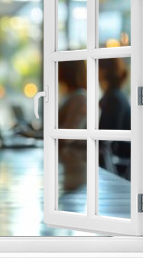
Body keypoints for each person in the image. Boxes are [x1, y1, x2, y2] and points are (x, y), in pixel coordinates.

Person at [57, 60, 87, 191]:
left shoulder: (79, 98)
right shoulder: (72, 96)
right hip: (70, 161)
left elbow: (69, 135)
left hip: (75, 162)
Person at [98, 58, 131, 178]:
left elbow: (105, 140)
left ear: (102, 71)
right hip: (116, 162)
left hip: (116, 164)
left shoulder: (114, 99)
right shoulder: (116, 96)